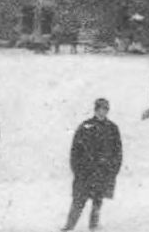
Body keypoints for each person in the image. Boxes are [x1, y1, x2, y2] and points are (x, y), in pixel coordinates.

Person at [61, 98, 123, 231]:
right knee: (78, 202)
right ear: (95, 110)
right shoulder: (85, 127)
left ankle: (93, 228)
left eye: (105, 110)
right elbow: (75, 151)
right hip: (85, 173)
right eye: (100, 109)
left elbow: (118, 153)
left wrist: (112, 171)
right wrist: (77, 170)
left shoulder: (112, 128)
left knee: (97, 203)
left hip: (102, 173)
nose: (102, 112)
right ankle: (68, 227)